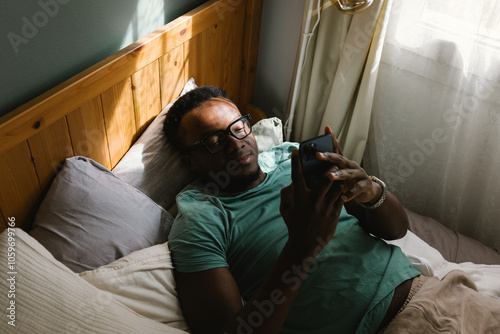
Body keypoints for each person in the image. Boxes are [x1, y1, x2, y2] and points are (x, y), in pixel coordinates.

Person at [163, 86, 500, 334]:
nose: (236, 142)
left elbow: (397, 230)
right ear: (189, 161)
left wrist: (368, 191)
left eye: (238, 127)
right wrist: (304, 245)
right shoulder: (200, 218)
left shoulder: (291, 157)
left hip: (437, 294)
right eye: (215, 140)